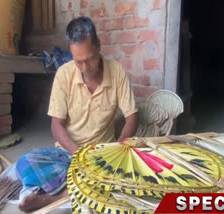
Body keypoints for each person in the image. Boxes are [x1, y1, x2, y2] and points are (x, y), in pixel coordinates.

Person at [17, 16, 138, 212]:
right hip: (69, 154)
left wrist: (117, 150)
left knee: (128, 177)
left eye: (89, 59)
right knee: (25, 163)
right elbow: (56, 125)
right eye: (78, 61)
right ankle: (80, 189)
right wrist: (78, 154)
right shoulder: (64, 74)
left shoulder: (116, 72)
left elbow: (131, 117)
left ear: (98, 46)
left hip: (103, 154)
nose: (85, 67)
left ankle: (58, 195)